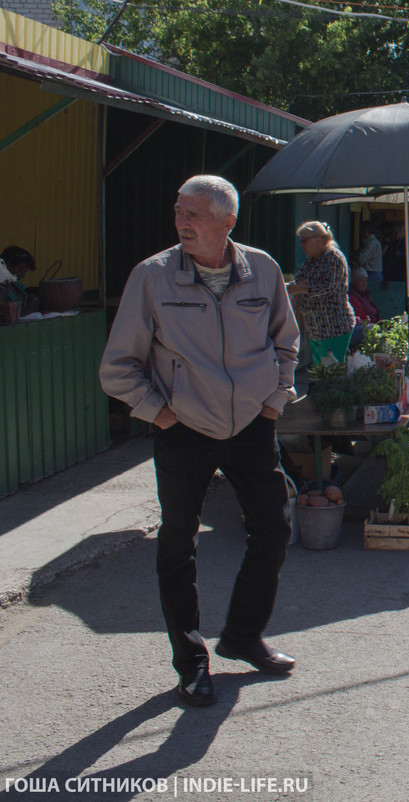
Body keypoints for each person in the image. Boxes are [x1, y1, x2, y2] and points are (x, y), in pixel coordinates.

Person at [99, 175, 299, 708]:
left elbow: (286, 340)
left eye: (194, 214)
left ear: (228, 222)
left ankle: (242, 637)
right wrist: (160, 414)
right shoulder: (154, 277)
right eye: (178, 211)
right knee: (177, 546)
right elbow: (118, 366)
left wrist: (274, 400)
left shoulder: (263, 269)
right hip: (183, 429)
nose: (181, 222)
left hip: (252, 425)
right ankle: (191, 663)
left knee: (275, 531)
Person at [287, 221, 357, 366]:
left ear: (319, 240)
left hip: (334, 328)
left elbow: (329, 288)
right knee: (321, 375)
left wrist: (300, 289)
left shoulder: (334, 257)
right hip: (316, 330)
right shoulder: (311, 259)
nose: (301, 245)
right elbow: (299, 280)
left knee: (331, 375)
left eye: (304, 241)